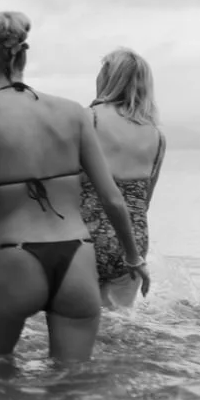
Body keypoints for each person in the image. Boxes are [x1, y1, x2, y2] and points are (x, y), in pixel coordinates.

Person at [0, 12, 148, 361]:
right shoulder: (73, 113)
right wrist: (133, 257)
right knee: (72, 387)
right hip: (77, 257)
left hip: (17, 258)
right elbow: (112, 197)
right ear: (21, 57)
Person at [81, 48, 166, 311]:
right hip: (132, 242)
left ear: (108, 78)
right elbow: (145, 202)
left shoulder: (89, 119)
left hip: (85, 235)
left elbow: (60, 181)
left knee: (74, 324)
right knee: (117, 323)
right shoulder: (156, 134)